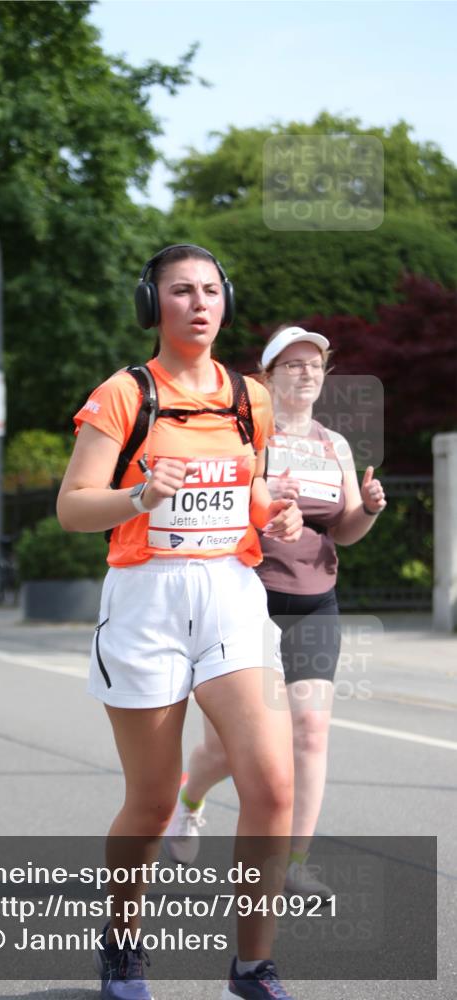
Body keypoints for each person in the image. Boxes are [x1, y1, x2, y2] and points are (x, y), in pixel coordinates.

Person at [57, 245, 304, 1000]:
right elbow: (72, 507)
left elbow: (250, 490)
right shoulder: (124, 395)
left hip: (229, 593)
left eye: (209, 291)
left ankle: (251, 967)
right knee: (154, 798)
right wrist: (138, 496)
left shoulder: (248, 397)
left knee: (270, 784)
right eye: (179, 292)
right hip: (146, 602)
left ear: (224, 300)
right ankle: (122, 940)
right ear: (151, 305)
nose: (198, 304)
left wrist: (277, 512)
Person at [165, 324, 386, 899]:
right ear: (268, 376)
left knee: (310, 731)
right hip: (249, 598)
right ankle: (190, 799)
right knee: (232, 747)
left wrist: (370, 509)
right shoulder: (248, 436)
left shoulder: (333, 444)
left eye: (314, 365)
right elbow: (216, 507)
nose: (306, 373)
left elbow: (347, 529)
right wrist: (263, 498)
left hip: (316, 600)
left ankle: (294, 861)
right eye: (292, 365)